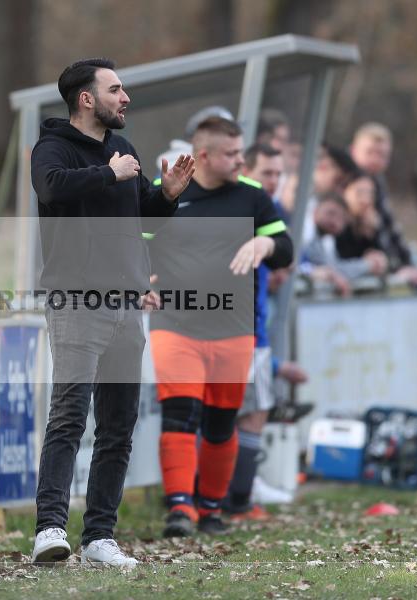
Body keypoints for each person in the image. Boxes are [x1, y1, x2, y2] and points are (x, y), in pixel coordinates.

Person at [30, 58, 194, 567]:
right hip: (78, 302)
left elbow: (138, 213)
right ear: (86, 98)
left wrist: (165, 197)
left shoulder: (125, 149)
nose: (125, 98)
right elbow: (52, 189)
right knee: (69, 418)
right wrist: (107, 173)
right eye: (116, 89)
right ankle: (49, 531)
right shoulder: (52, 148)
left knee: (119, 426)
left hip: (127, 305)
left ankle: (100, 537)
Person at [148, 117, 293, 538]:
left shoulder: (253, 197)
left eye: (241, 151)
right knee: (180, 412)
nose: (241, 160)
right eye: (232, 153)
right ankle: (179, 508)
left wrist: (264, 243)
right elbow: (133, 242)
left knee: (220, 422)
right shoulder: (169, 194)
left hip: (234, 328)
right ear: (204, 156)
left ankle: (211, 508)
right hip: (175, 324)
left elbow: (285, 249)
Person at [225, 145, 307, 521]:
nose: (274, 181)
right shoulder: (242, 206)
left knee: (255, 410)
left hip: (255, 326)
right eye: (267, 173)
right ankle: (236, 496)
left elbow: (284, 258)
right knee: (244, 413)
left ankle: (240, 491)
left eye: (279, 174)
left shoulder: (265, 211)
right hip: (237, 329)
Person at [348, 123, 417, 288]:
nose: (375, 160)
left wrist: (407, 265)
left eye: (382, 155)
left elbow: (389, 227)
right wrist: (396, 268)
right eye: (369, 152)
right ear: (353, 151)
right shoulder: (346, 182)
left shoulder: (378, 182)